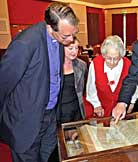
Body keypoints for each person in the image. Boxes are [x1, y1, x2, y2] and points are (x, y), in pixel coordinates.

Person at [0, 2, 79, 162]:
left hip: (50, 117)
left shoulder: (59, 39)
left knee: (47, 156)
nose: (71, 40)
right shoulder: (25, 44)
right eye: (66, 36)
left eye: (73, 34)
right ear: (50, 27)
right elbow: (3, 84)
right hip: (26, 122)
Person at [85, 35, 138, 118]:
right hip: (102, 110)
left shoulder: (128, 64)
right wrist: (96, 104)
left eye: (116, 58)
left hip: (122, 109)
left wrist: (132, 102)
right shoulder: (96, 63)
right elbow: (91, 88)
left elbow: (133, 85)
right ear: (104, 54)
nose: (112, 62)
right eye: (109, 58)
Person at [57, 37, 87, 124]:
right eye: (70, 48)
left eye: (76, 48)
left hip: (77, 107)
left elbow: (84, 88)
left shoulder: (82, 65)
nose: (74, 51)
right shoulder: (54, 66)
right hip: (59, 110)